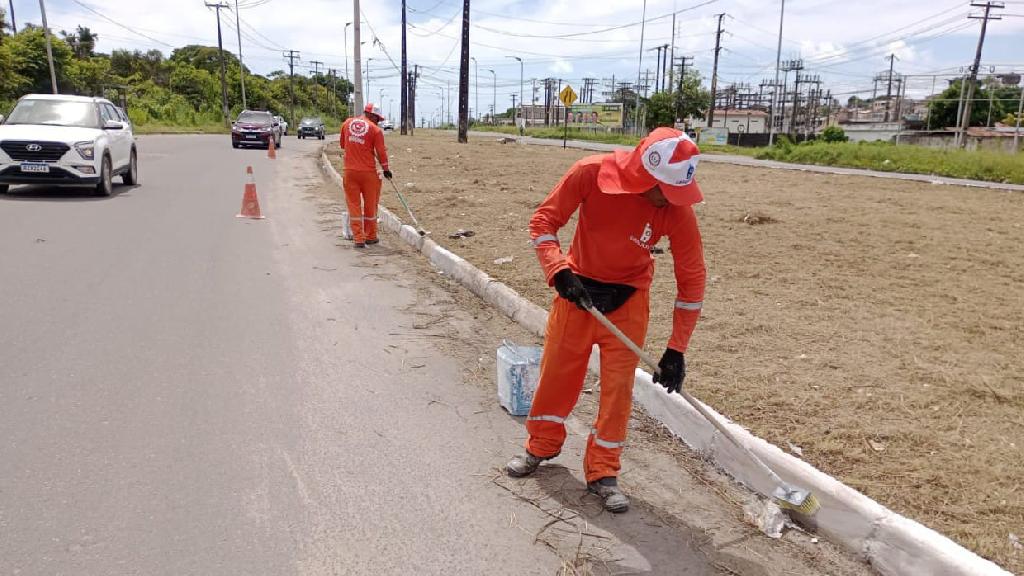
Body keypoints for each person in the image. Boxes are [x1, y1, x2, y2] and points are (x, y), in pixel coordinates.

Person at [506, 127, 707, 513]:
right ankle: (540, 446)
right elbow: (543, 222)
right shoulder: (589, 173)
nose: (669, 200)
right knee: (556, 377)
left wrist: (676, 350)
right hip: (576, 295)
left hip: (629, 303)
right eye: (664, 190)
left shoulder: (676, 210)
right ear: (643, 175)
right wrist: (558, 270)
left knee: (617, 392)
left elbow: (692, 278)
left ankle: (603, 471)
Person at [340, 103, 391, 248]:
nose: (378, 122)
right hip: (369, 174)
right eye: (378, 119)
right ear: (373, 116)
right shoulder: (375, 130)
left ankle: (358, 239)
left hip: (350, 172)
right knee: (371, 205)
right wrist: (386, 169)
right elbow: (381, 152)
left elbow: (343, 145)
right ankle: (371, 236)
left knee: (353, 205)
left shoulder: (347, 123)